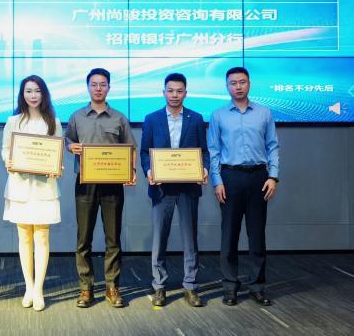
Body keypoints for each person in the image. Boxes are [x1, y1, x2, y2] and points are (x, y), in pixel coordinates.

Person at [65, 68, 136, 308]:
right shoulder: (77, 116)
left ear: (109, 87)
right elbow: (68, 140)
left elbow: (130, 148)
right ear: (88, 87)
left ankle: (112, 287)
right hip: (85, 183)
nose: (98, 88)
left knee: (113, 238)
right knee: (83, 239)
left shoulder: (119, 118)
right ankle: (86, 289)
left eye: (102, 84)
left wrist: (132, 171)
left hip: (113, 184)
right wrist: (70, 147)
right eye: (94, 84)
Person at [208, 67, 280, 307]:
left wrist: (273, 176)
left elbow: (273, 146)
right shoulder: (218, 115)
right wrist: (217, 181)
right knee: (229, 235)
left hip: (259, 178)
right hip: (230, 178)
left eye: (242, 82)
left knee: (257, 235)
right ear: (227, 86)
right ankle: (230, 287)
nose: (238, 86)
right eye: (233, 83)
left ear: (249, 84)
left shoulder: (264, 113)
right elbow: (214, 151)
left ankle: (257, 286)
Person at [140, 73, 209, 308]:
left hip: (188, 188)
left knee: (190, 239)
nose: (175, 95)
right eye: (170, 91)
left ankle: (190, 286)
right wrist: (149, 170)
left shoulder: (196, 118)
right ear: (164, 92)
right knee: (160, 238)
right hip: (162, 188)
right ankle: (159, 286)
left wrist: (204, 169)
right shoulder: (152, 119)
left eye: (179, 91)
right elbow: (144, 153)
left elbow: (204, 152)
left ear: (185, 93)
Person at [2, 75, 62, 312]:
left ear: (43, 94)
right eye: (28, 91)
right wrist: (9, 161)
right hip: (19, 186)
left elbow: (57, 153)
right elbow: (5, 149)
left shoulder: (53, 122)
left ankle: (39, 289)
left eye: (37, 91)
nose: (33, 95)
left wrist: (56, 166)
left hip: (44, 187)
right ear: (22, 94)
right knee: (24, 237)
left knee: (42, 237)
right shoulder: (13, 121)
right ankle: (28, 287)